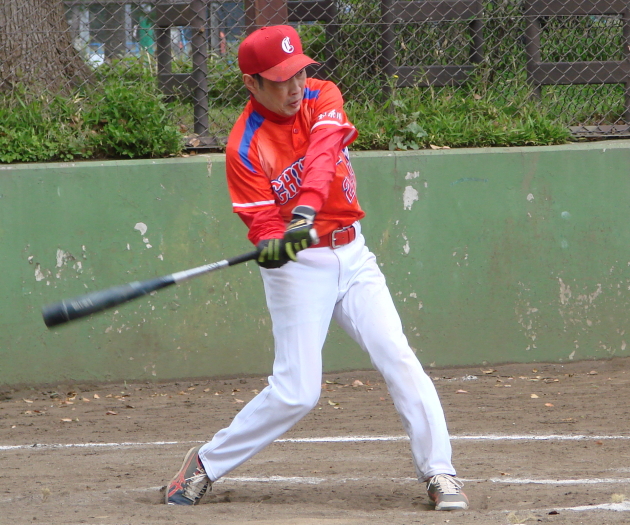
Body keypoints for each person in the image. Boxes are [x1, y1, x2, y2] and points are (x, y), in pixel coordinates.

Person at [164, 24, 468, 512]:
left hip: (353, 252)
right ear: (251, 83)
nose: (294, 86)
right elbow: (262, 222)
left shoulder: (321, 95)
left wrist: (304, 210)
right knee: (297, 393)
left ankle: (439, 471)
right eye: (279, 79)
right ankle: (204, 463)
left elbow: (325, 154)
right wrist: (271, 243)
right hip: (299, 268)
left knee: (397, 355)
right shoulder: (244, 145)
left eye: (298, 72)